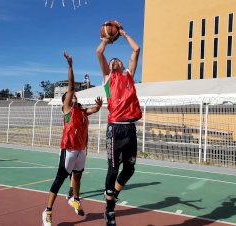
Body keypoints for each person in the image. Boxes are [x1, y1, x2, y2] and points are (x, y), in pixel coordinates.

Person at [42, 51, 103, 226]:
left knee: (77, 176)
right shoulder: (67, 109)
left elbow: (93, 110)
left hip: (81, 149)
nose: (75, 96)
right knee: (60, 179)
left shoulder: (82, 111)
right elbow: (70, 86)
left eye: (76, 96)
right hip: (68, 148)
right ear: (66, 101)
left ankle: (75, 198)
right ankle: (47, 211)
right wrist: (70, 65)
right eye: (72, 96)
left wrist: (98, 106)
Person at [96, 21, 142, 226]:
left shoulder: (128, 77)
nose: (114, 61)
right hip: (115, 128)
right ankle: (110, 210)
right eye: (112, 60)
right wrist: (106, 39)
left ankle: (112, 194)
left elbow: (136, 49)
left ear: (123, 66)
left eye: (117, 60)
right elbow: (99, 53)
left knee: (130, 169)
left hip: (130, 127)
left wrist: (122, 33)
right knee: (113, 170)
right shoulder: (107, 78)